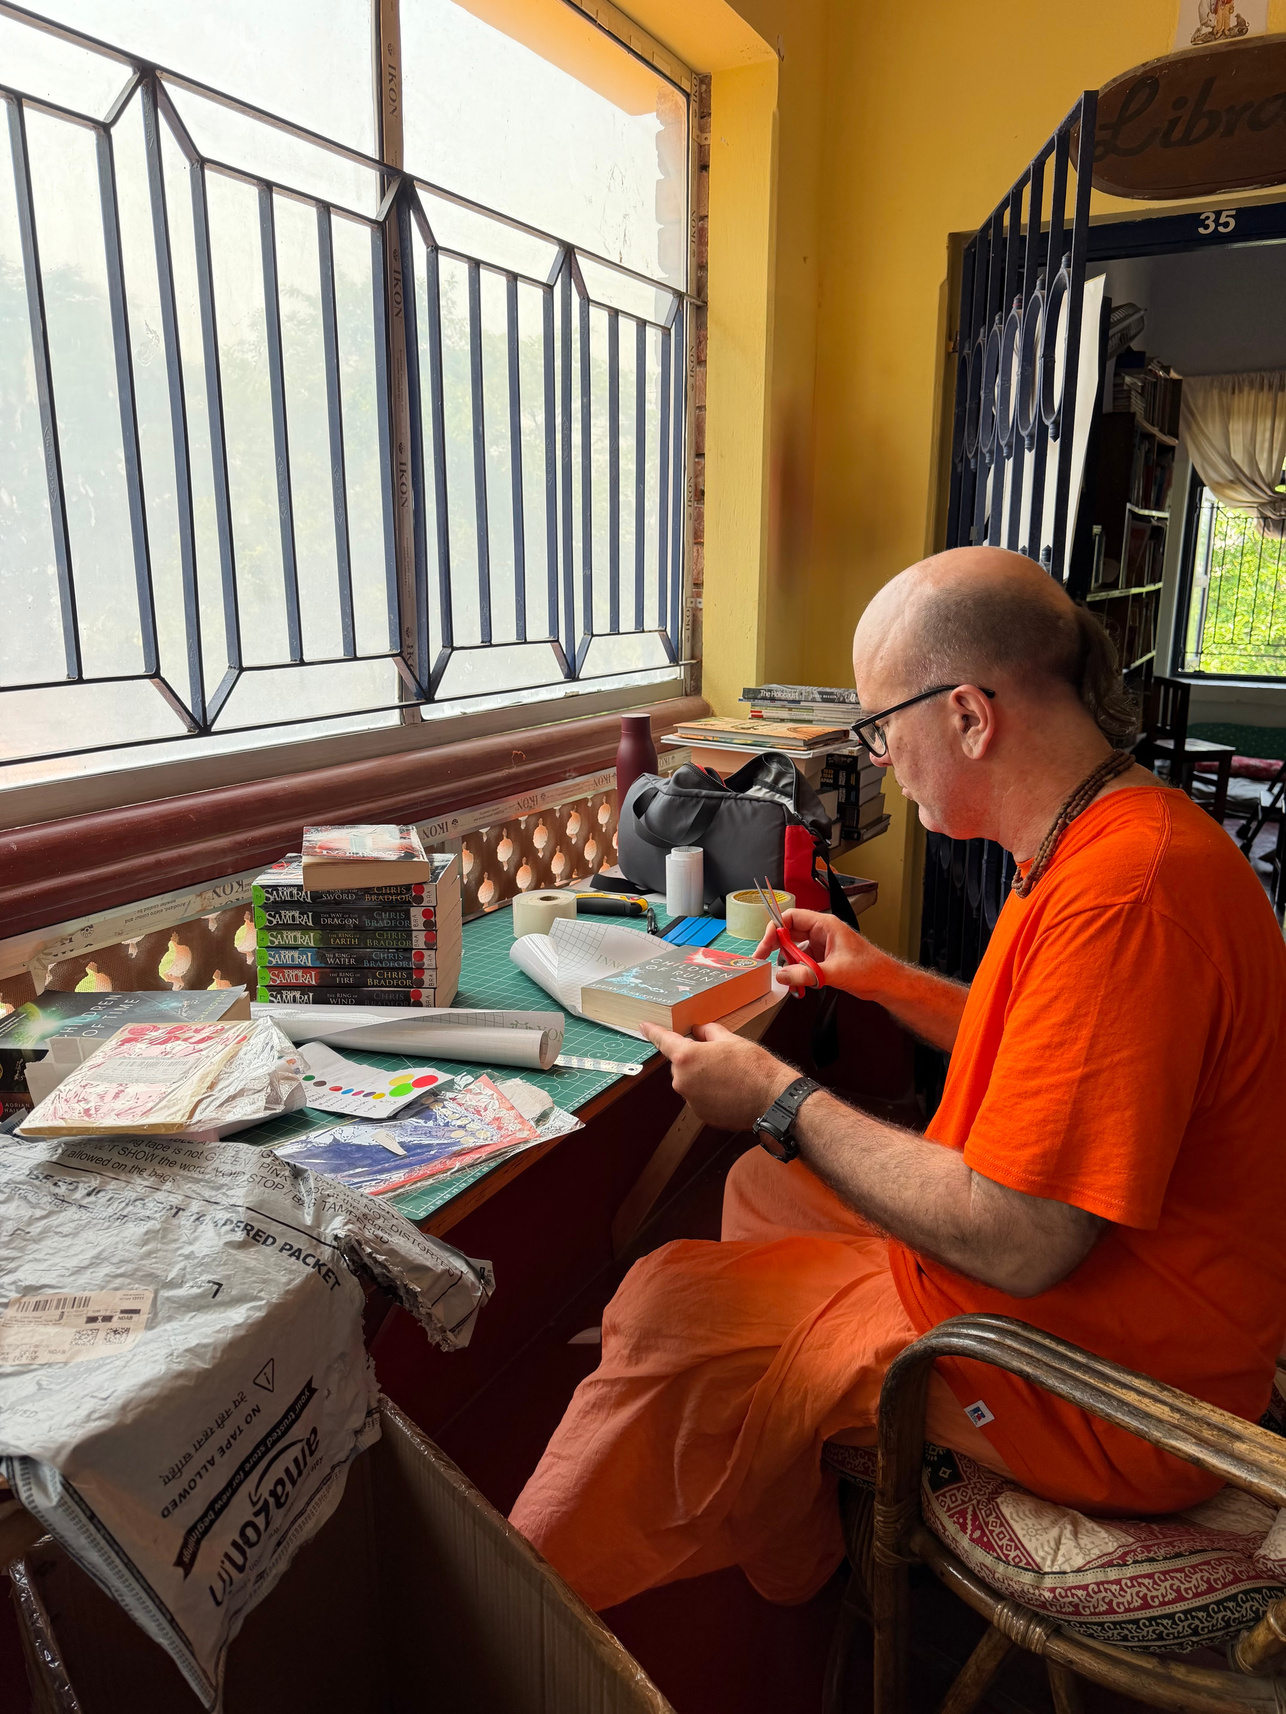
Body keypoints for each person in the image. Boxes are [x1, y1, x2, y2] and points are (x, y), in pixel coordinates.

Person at [510, 545, 1286, 1614]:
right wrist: (881, 982)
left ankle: (517, 1611)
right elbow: (1055, 1058)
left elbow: (1021, 1241)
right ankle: (780, 1426)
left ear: (968, 715)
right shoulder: (1099, 833)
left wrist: (777, 1100)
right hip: (1106, 1292)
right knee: (757, 1194)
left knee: (669, 1304)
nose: (878, 759)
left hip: (1112, 1384)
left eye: (882, 726)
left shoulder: (1124, 895)